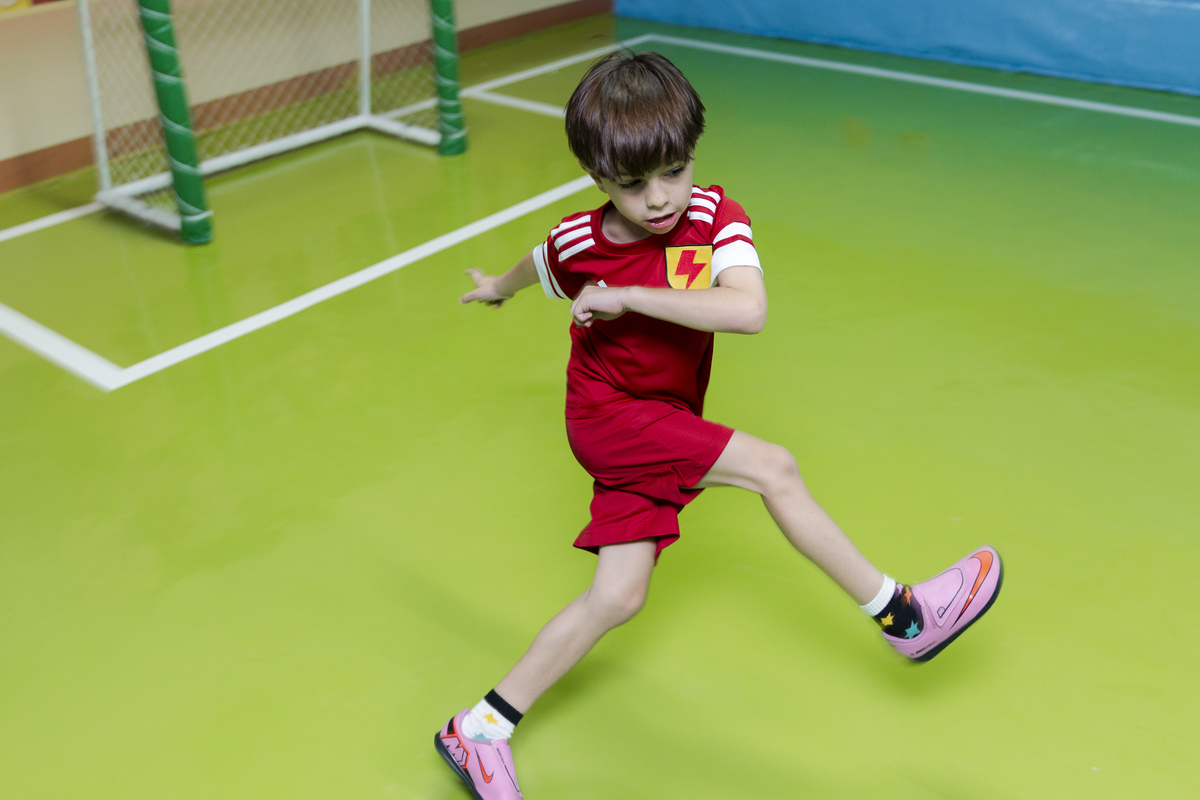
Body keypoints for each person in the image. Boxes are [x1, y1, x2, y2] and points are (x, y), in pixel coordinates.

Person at [434, 51, 1002, 799]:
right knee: (774, 467)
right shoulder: (581, 241)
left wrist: (629, 297)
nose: (659, 198)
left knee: (619, 596)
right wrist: (498, 290)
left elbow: (748, 309)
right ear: (598, 179)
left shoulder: (714, 220)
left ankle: (478, 729)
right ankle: (907, 617)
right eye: (633, 184)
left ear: (692, 154)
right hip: (606, 413)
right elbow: (540, 263)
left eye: (674, 171)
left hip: (663, 413)